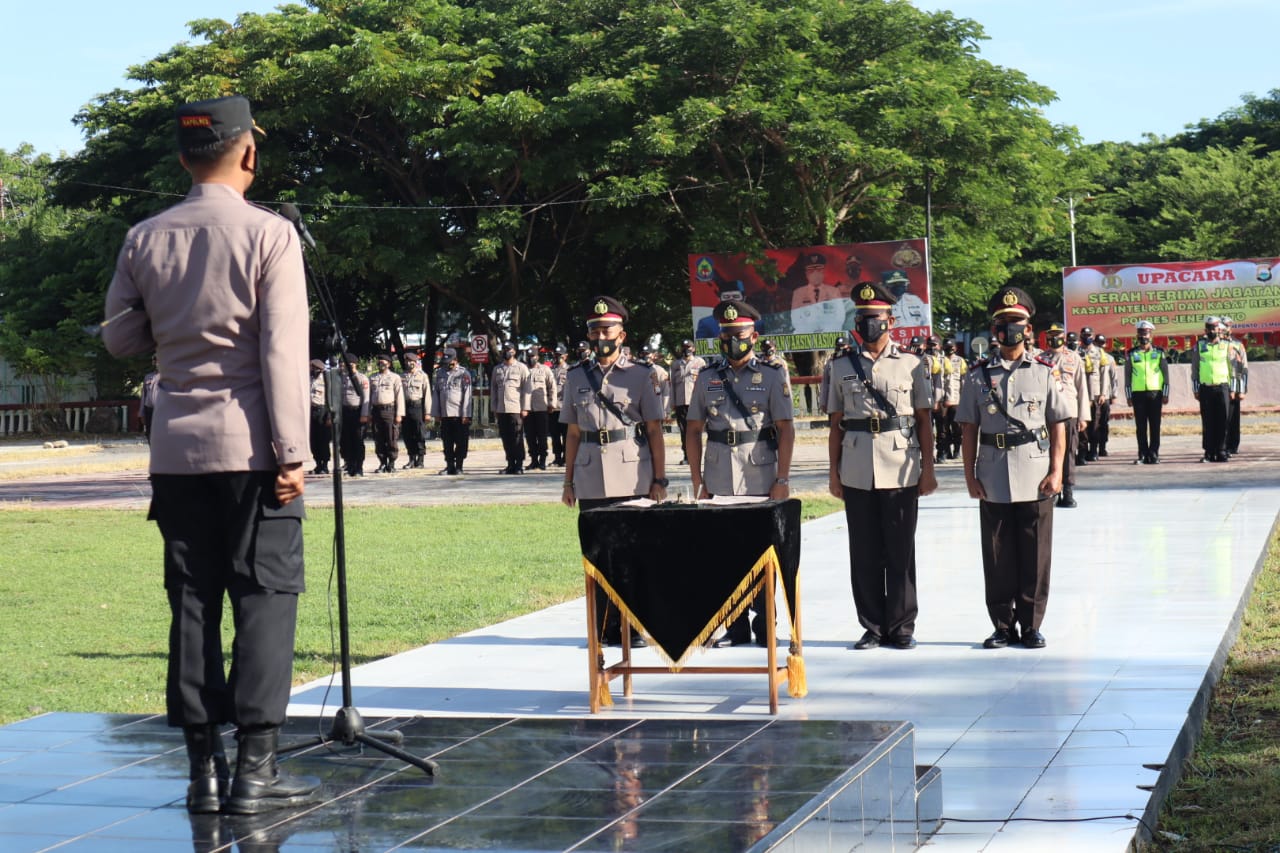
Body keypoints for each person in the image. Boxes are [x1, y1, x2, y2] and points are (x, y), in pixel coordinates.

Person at [101, 94, 318, 815]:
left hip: (177, 452)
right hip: (254, 448)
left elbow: (120, 339)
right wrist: (293, 451)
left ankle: (204, 773)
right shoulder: (271, 234)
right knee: (265, 598)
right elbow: (282, 353)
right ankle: (257, 770)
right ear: (249, 152)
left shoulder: (144, 237)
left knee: (192, 602)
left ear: (182, 158)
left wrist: (171, 320)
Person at [957, 287, 1069, 650]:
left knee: (1036, 554)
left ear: (1029, 328)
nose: (1010, 329)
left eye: (1016, 322)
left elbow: (1058, 424)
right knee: (997, 555)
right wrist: (969, 475)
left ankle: (1032, 625)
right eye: (1003, 322)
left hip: (1036, 474)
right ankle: (1003, 626)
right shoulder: (976, 375)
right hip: (992, 473)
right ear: (994, 329)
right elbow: (969, 430)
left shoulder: (1044, 372)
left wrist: (1057, 472)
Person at [826, 281, 936, 650]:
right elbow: (835, 424)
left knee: (900, 550)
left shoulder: (912, 364)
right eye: (863, 317)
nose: (868, 323)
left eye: (875, 317)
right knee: (864, 551)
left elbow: (924, 420)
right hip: (857, 467)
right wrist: (833, 473)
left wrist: (929, 470)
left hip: (901, 465)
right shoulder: (840, 365)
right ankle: (873, 626)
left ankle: (902, 626)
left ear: (891, 320)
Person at [686, 300, 795, 647]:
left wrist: (782, 479)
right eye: (727, 334)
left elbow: (786, 429)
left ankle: (765, 626)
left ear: (754, 336)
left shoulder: (772, 375)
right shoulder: (707, 377)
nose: (733, 341)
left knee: (763, 553)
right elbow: (693, 429)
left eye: (740, 334)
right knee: (725, 554)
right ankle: (735, 627)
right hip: (718, 474)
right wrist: (697, 481)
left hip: (759, 474)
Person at [561, 296, 668, 647]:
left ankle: (633, 626)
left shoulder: (640, 375)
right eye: (594, 331)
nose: (600, 336)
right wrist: (568, 482)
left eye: (606, 329)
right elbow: (573, 433)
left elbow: (654, 430)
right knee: (597, 556)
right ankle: (604, 627)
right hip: (590, 477)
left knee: (631, 555)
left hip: (632, 475)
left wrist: (659, 479)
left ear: (621, 334)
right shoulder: (576, 376)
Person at [1040, 324, 1088, 507]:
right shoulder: (1040, 359)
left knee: (1068, 452)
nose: (1054, 339)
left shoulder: (1073, 358)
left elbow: (1082, 388)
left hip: (1069, 412)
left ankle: (1067, 491)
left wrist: (1083, 416)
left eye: (1058, 335)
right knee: (1048, 451)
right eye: (1051, 335)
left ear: (1064, 337)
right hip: (1047, 413)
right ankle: (1051, 490)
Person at [1125, 320, 1169, 465]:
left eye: (1146, 334)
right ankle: (1142, 454)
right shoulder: (1131, 354)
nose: (1144, 336)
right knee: (1141, 426)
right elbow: (1127, 376)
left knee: (1155, 425)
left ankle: (1154, 453)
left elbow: (1165, 374)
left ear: (1151, 335)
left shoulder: (1159, 352)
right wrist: (1128, 396)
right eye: (1141, 334)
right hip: (1138, 394)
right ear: (1137, 336)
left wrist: (1165, 393)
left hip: (1155, 393)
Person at [1191, 316, 1233, 463]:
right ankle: (1209, 452)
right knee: (1208, 421)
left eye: (1214, 328)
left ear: (1219, 329)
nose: (1211, 331)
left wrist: (1233, 389)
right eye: (1209, 328)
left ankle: (1221, 451)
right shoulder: (1199, 345)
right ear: (1205, 330)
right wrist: (1195, 389)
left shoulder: (1227, 345)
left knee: (1223, 421)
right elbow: (1195, 368)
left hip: (1222, 387)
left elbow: (1232, 368)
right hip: (1206, 388)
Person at [492, 342, 531, 474]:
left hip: (516, 408)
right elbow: (494, 390)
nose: (506, 351)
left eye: (508, 349)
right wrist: (494, 408)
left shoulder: (521, 368)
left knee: (517, 437)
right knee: (506, 438)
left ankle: (519, 465)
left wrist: (525, 408)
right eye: (504, 349)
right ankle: (510, 464)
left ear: (514, 351)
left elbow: (527, 389)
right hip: (501, 409)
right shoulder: (497, 369)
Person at [432, 348, 472, 475]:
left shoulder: (463, 373)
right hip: (445, 414)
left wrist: (466, 414)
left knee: (461, 442)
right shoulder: (440, 373)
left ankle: (459, 466)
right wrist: (436, 413)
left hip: (459, 415)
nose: (447, 364)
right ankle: (450, 466)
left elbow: (467, 395)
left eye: (450, 361)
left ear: (455, 360)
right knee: (447, 442)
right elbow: (436, 394)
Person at [670, 339, 706, 465]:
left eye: (689, 347)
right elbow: (672, 385)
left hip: (695, 402)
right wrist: (672, 402)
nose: (687, 349)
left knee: (695, 430)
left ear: (693, 349)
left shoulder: (700, 362)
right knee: (683, 430)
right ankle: (687, 456)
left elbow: (704, 383)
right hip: (681, 402)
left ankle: (697, 455)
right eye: (684, 347)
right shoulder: (676, 364)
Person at [1079, 327, 1112, 462]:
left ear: (1092, 336)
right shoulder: (1076, 352)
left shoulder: (1099, 352)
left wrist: (1103, 393)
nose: (1087, 337)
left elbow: (1105, 375)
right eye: (1084, 335)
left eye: (1089, 335)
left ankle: (1093, 450)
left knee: (1095, 424)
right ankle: (1083, 450)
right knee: (1083, 424)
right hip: (1081, 394)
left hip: (1095, 393)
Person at [368, 353, 404, 474]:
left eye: (383, 362)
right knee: (378, 438)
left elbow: (399, 396)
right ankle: (382, 462)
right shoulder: (372, 377)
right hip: (376, 411)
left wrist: (399, 414)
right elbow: (369, 397)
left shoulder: (395, 377)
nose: (381, 364)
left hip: (389, 410)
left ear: (388, 364)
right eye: (379, 362)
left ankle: (391, 463)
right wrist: (368, 413)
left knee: (391, 438)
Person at [790, 253, 843, 334]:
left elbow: (840, 316)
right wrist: (810, 332)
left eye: (819, 270)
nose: (815, 274)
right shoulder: (798, 293)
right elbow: (795, 320)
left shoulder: (834, 291)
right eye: (811, 271)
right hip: (806, 335)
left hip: (829, 334)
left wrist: (826, 332)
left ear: (824, 272)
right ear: (806, 274)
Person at [934, 337, 967, 463]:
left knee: (957, 426)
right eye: (947, 347)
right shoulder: (938, 360)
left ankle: (957, 449)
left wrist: (964, 399)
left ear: (955, 348)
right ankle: (945, 450)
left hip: (956, 398)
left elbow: (964, 381)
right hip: (942, 398)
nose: (950, 349)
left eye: (951, 347)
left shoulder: (960, 361)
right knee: (943, 426)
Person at [524, 348, 556, 470]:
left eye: (533, 356)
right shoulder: (523, 369)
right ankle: (534, 460)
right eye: (529, 356)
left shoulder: (545, 370)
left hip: (541, 408)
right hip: (527, 409)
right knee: (530, 437)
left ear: (537, 357)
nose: (530, 358)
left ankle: (542, 460)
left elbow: (552, 387)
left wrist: (552, 403)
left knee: (542, 436)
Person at [1221, 317, 1249, 456]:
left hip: (1235, 386)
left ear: (1230, 328)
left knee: (1233, 417)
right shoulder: (1215, 345)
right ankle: (1222, 445)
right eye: (1223, 326)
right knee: (1221, 417)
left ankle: (1233, 445)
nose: (1225, 328)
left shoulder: (1238, 344)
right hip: (1221, 385)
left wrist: (1242, 390)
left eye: (1227, 326)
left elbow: (1244, 368)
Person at [400, 352, 432, 469]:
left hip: (418, 407)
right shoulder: (402, 376)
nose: (409, 363)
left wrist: (428, 412)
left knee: (419, 434)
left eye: (411, 361)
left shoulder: (422, 376)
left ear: (415, 362)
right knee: (407, 434)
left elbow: (427, 395)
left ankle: (420, 460)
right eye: (407, 361)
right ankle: (411, 459)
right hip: (405, 407)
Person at [339, 356, 370, 477]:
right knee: (347, 441)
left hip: (357, 412)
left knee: (358, 441)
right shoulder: (342, 378)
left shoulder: (362, 378)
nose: (348, 366)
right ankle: (350, 466)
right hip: (345, 412)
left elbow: (366, 398)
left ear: (355, 364)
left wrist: (364, 414)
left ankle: (359, 468)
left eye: (351, 364)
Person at [1092, 334, 1118, 457]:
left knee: (1104, 422)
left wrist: (1114, 395)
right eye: (1098, 343)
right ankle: (1093, 448)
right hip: (1094, 395)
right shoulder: (1090, 357)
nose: (1100, 345)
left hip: (1106, 396)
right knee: (1093, 423)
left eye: (1102, 343)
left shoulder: (1110, 358)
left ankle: (1102, 447)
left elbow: (1114, 378)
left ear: (1105, 344)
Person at [308, 359, 332, 475]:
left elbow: (330, 399)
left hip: (322, 411)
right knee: (313, 440)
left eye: (313, 368)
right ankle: (318, 464)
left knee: (323, 440)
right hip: (311, 411)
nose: (311, 370)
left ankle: (325, 465)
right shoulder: (310, 379)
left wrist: (329, 416)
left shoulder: (326, 380)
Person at [818, 336, 853, 416]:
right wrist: (823, 402)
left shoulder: (854, 361)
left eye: (843, 346)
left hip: (850, 400)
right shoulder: (831, 362)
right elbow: (825, 384)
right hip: (833, 400)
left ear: (848, 347)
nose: (840, 348)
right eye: (838, 346)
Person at [550, 343, 570, 466]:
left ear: (565, 356)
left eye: (560, 355)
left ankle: (566, 458)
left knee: (566, 435)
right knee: (555, 435)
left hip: (565, 407)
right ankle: (557, 457)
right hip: (553, 408)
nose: (558, 358)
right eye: (556, 355)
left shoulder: (570, 370)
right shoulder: (550, 370)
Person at [641, 344, 672, 416]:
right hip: (640, 409)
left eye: (647, 354)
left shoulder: (660, 371)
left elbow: (666, 392)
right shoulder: (636, 370)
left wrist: (665, 410)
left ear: (653, 355)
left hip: (655, 409)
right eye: (644, 354)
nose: (646, 356)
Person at [141, 358, 160, 441]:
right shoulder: (148, 377)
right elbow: (144, 395)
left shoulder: (169, 376)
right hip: (149, 409)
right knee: (149, 433)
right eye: (155, 361)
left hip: (163, 409)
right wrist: (141, 413)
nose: (157, 363)